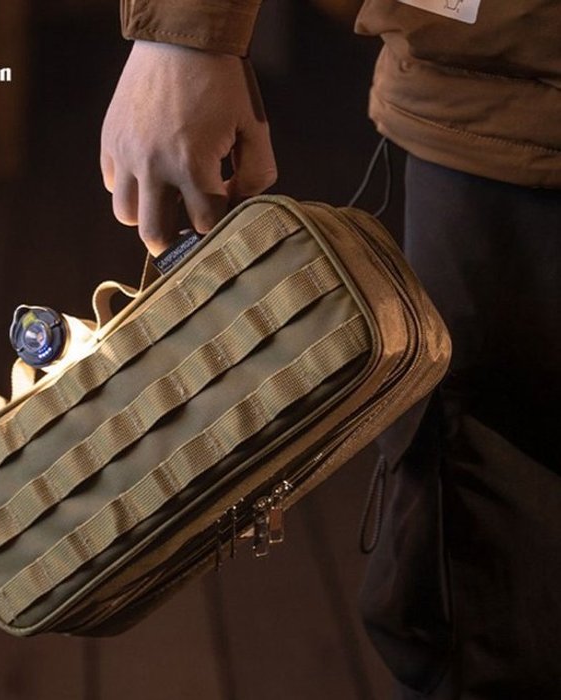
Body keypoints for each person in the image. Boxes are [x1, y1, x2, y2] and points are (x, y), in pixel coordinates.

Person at [100, 1, 561, 697]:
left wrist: (187, 40)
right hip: (508, 105)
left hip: (505, 99)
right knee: (493, 595)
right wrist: (186, 36)